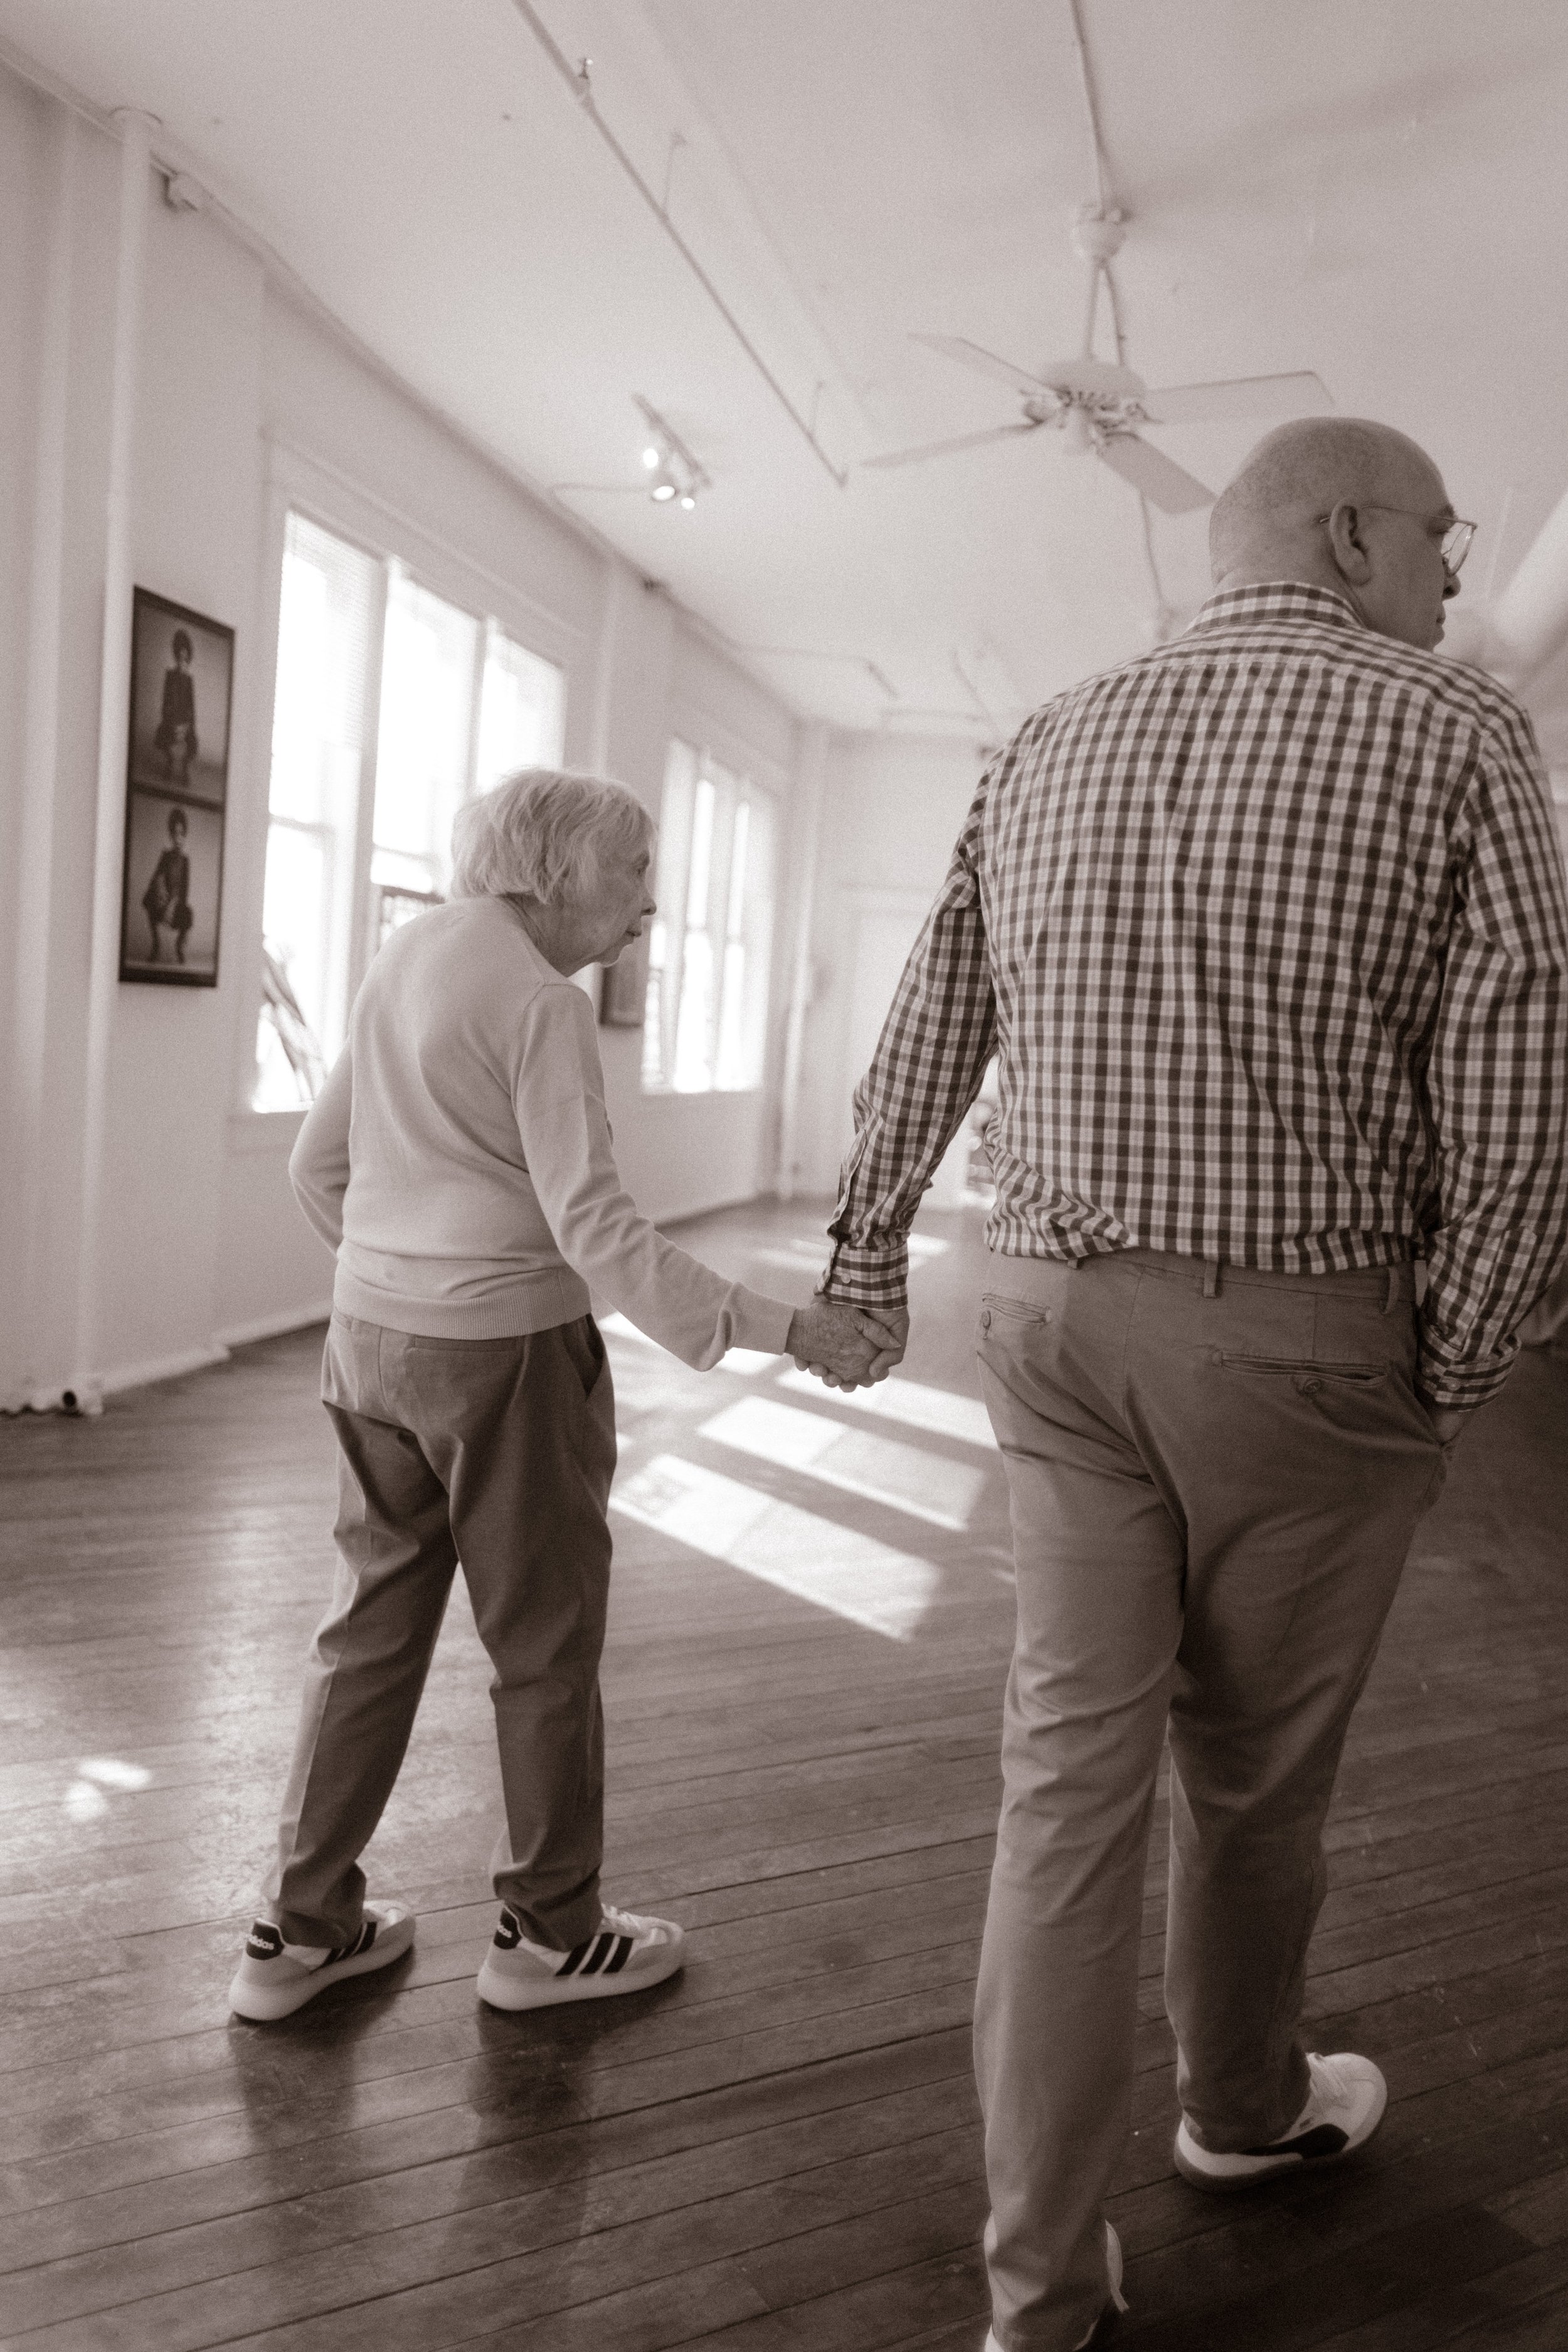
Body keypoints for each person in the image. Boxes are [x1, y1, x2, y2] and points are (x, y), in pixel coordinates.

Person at [812, 418, 1568, 2349]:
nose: (1454, 573)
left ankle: (1036, 2288)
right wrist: (1451, 1364)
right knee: (1246, 1781)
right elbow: (1516, 1109)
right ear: (1344, 531)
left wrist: (863, 1250)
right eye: (1437, 534)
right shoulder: (1458, 731)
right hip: (1299, 1341)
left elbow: (929, 1018)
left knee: (1059, 1790)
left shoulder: (1049, 727)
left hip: (1046, 1321)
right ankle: (1235, 2111)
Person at [228, 768, 893, 2025]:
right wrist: (788, 1328)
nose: (651, 899)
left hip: (367, 1342)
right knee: (542, 1649)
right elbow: (595, 1227)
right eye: (633, 868)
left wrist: (400, 1275)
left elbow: (319, 1168)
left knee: (363, 1630)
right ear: (551, 869)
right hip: (507, 1363)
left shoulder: (404, 955)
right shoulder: (538, 1003)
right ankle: (549, 1937)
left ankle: (297, 1933)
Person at [140, 804, 193, 963]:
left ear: (185, 835)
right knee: (148, 898)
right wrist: (161, 893)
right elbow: (155, 878)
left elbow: (185, 890)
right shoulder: (166, 855)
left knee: (189, 913)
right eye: (175, 833)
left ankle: (179, 947)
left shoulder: (185, 861)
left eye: (182, 834)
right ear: (171, 835)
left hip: (176, 905)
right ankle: (156, 945)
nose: (178, 838)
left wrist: (174, 903)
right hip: (162, 902)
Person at [154, 627, 198, 783]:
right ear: (176, 656)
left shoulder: (189, 680)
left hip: (185, 721)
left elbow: (192, 707)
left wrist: (188, 725)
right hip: (171, 719)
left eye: (186, 659)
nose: (182, 662)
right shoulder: (170, 676)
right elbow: (166, 702)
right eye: (180, 657)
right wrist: (172, 722)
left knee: (191, 742)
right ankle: (169, 764)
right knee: (166, 736)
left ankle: (184, 769)